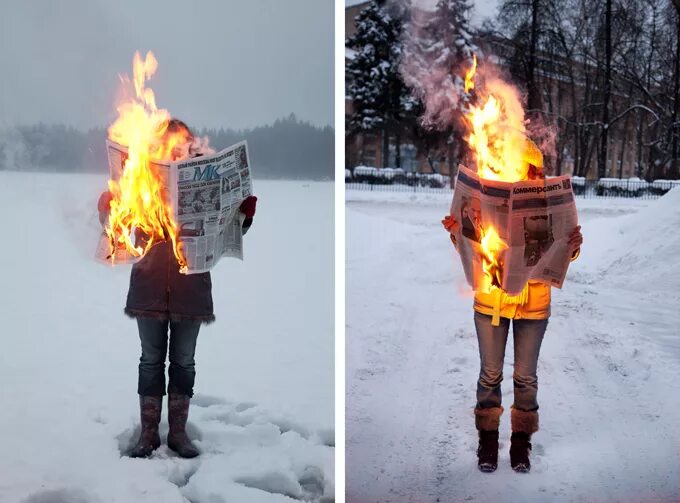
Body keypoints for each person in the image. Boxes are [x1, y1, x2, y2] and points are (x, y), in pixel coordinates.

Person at [98, 119, 258, 458]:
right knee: (150, 361)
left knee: (184, 362)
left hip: (191, 290)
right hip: (149, 289)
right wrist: (107, 209)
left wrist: (244, 214)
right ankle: (149, 433)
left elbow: (230, 233)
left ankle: (179, 433)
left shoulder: (201, 177)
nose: (174, 146)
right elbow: (122, 234)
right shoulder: (142, 180)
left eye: (179, 141)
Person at [442, 140, 583, 473]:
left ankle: (521, 444)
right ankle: (488, 442)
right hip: (491, 302)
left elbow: (563, 253)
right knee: (490, 375)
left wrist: (573, 245)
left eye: (526, 168)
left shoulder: (545, 202)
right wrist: (456, 232)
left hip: (533, 305)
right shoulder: (488, 195)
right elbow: (472, 246)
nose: (520, 172)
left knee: (526, 377)